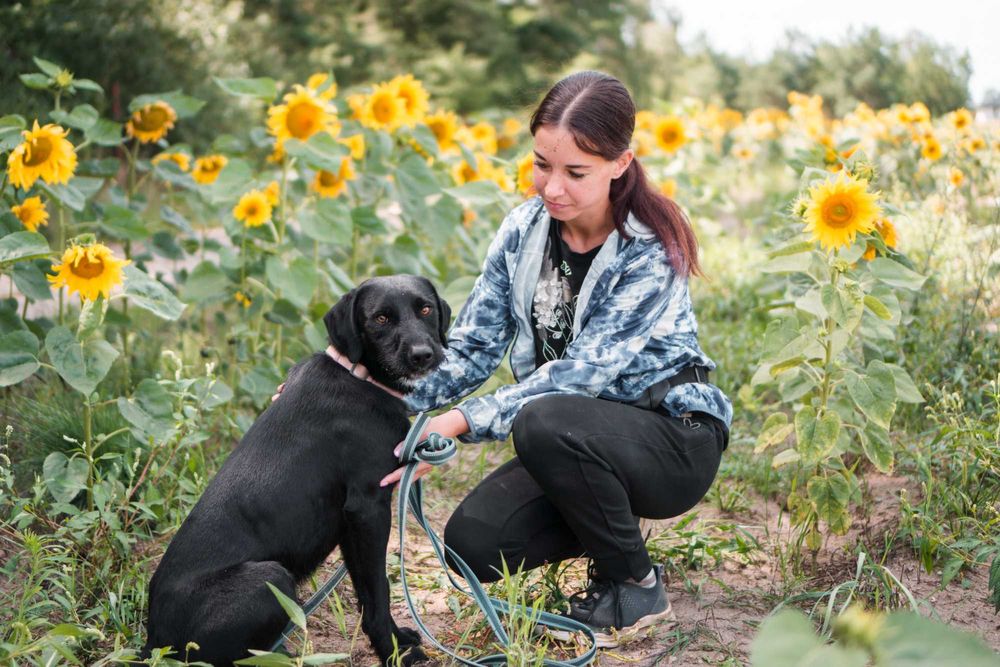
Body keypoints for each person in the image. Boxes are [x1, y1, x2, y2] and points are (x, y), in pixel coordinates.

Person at [374, 70, 733, 647]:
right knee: (474, 544)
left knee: (546, 417)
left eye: (575, 172)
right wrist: (372, 396)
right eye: (542, 163)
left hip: (671, 440)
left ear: (621, 163)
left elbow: (580, 375)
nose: (552, 187)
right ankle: (606, 517)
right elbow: (470, 347)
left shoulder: (649, 248)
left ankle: (637, 587)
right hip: (576, 438)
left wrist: (457, 422)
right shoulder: (524, 231)